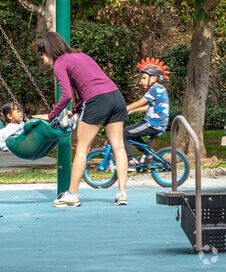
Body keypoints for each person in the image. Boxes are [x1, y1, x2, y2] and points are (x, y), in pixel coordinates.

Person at [36, 31, 129, 207]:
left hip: (97, 101)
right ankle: (122, 194)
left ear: (48, 52)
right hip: (116, 97)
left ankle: (72, 195)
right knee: (118, 146)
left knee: (82, 149)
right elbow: (88, 86)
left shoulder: (60, 63)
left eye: (44, 58)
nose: (45, 62)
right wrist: (76, 110)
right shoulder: (81, 56)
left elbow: (65, 96)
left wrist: (51, 115)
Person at [123, 58, 170, 171]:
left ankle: (130, 161)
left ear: (153, 78)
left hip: (152, 124)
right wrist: (133, 111)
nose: (141, 81)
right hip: (157, 124)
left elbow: (141, 102)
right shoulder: (160, 89)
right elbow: (149, 107)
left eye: (144, 78)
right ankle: (148, 155)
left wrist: (123, 109)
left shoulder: (154, 89)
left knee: (123, 133)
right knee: (133, 135)